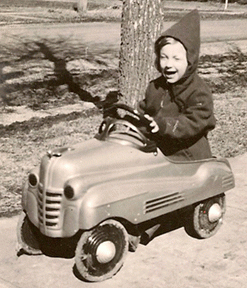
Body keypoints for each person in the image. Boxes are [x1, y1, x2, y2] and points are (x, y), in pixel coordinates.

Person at [138, 9, 216, 161]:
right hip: (160, 152)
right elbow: (143, 110)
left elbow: (193, 122)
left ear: (190, 61)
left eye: (176, 59)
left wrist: (164, 125)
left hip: (187, 156)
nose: (168, 65)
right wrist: (133, 121)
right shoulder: (155, 87)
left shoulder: (198, 91)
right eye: (164, 57)